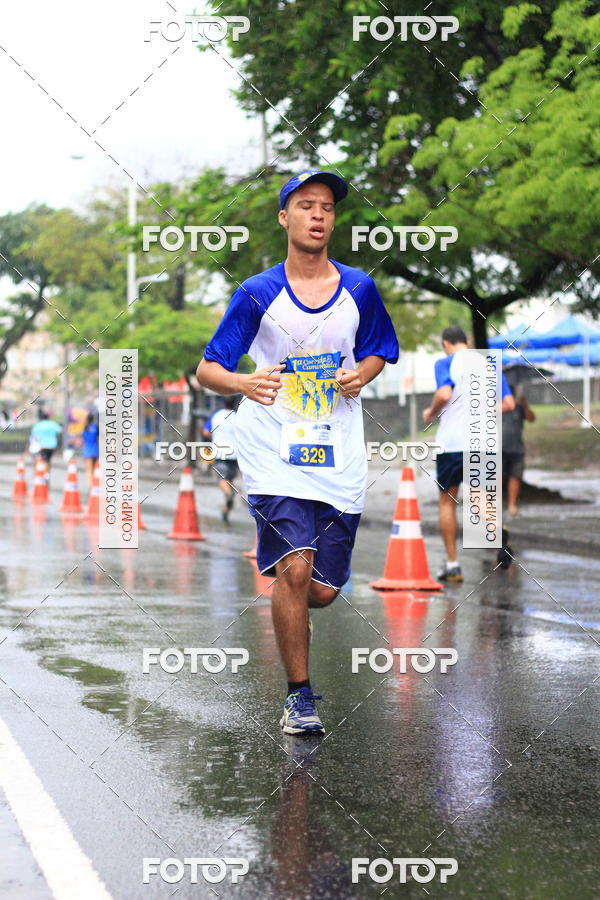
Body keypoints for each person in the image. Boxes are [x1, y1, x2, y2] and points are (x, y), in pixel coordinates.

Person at [196, 169, 399, 734]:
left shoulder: (358, 287)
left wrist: (363, 371)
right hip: (273, 449)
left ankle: (292, 596)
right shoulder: (257, 293)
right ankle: (299, 696)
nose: (318, 215)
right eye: (306, 206)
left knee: (322, 591)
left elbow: (381, 348)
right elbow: (208, 367)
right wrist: (244, 384)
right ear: (285, 218)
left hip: (337, 452)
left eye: (327, 208)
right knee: (293, 568)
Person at [422, 326, 515, 582]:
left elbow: (444, 393)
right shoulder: (488, 365)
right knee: (479, 498)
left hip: (452, 443)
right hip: (484, 442)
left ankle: (452, 566)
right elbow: (509, 404)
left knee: (447, 501)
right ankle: (498, 529)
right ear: (467, 341)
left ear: (446, 343)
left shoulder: (445, 362)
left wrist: (430, 413)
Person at [202, 397, 239, 522]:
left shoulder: (216, 416)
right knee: (229, 479)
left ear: (223, 403)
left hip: (220, 452)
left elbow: (206, 432)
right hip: (235, 454)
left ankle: (229, 494)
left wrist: (216, 435)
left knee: (222, 479)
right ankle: (226, 509)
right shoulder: (237, 417)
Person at [502, 380, 535, 517]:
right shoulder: (494, 407)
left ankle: (512, 504)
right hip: (498, 448)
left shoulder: (519, 408)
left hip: (516, 448)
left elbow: (531, 418)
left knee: (515, 476)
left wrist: (524, 404)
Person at [82, 412, 100, 488]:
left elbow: (84, 439)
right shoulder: (96, 427)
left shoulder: (85, 428)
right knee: (94, 468)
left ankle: (91, 485)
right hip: (95, 450)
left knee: (89, 470)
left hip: (87, 450)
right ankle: (95, 484)